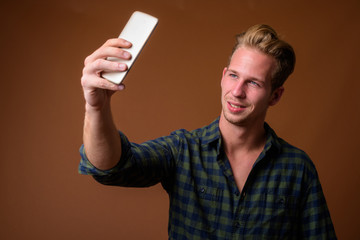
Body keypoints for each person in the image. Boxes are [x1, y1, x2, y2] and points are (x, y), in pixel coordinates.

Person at [79, 24, 337, 239]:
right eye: (234, 76)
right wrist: (97, 107)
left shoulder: (297, 168)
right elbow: (111, 167)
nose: (237, 91)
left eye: (254, 83)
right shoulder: (183, 150)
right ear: (223, 76)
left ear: (275, 96)